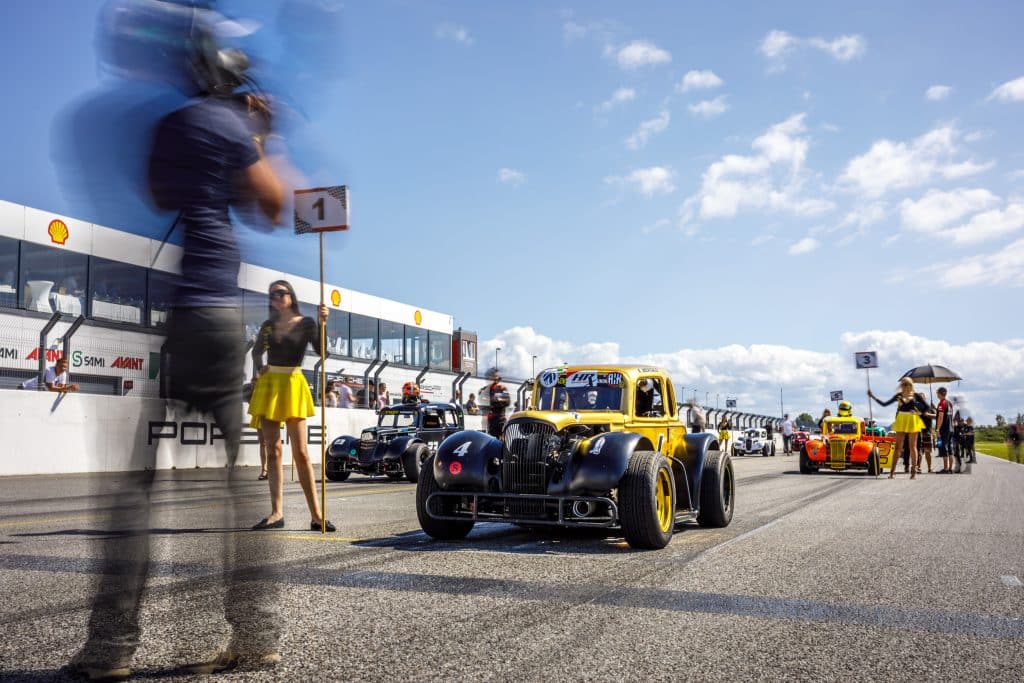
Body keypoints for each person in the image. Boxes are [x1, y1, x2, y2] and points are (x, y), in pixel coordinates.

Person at [68, 59, 288, 680]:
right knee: (235, 479)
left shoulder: (177, 123)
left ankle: (109, 647)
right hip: (222, 317)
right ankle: (255, 635)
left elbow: (159, 194)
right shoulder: (231, 126)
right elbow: (271, 205)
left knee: (136, 485)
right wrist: (262, 137)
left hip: (184, 312)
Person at [249, 280, 336, 533]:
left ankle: (317, 516)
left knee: (301, 452)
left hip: (293, 382)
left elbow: (322, 352)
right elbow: (256, 352)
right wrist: (259, 369)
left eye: (280, 293)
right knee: (273, 449)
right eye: (272, 294)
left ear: (291, 297)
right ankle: (276, 513)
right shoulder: (268, 326)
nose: (275, 297)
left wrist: (323, 322)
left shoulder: (307, 323)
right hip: (269, 384)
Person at [869, 377, 929, 480]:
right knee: (898, 447)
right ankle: (892, 472)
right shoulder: (899, 396)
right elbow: (884, 404)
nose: (904, 386)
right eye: (903, 384)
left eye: (906, 384)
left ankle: (913, 472)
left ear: (910, 385)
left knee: (912, 447)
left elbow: (926, 407)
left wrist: (919, 412)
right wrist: (873, 396)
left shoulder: (916, 396)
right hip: (901, 419)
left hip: (912, 420)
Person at [485, 368, 510, 437]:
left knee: (503, 440)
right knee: (492, 439)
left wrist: (497, 399)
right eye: (493, 376)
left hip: (500, 418)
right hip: (492, 419)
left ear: (499, 377)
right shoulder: (489, 388)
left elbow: (507, 402)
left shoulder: (502, 388)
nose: (494, 378)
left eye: (496, 376)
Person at [935, 387, 953, 473]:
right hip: (951, 428)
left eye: (937, 392)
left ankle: (945, 469)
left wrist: (938, 429)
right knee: (950, 448)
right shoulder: (949, 403)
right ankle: (950, 468)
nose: (936, 394)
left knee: (944, 447)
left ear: (940, 393)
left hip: (944, 429)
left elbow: (941, 417)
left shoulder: (942, 403)